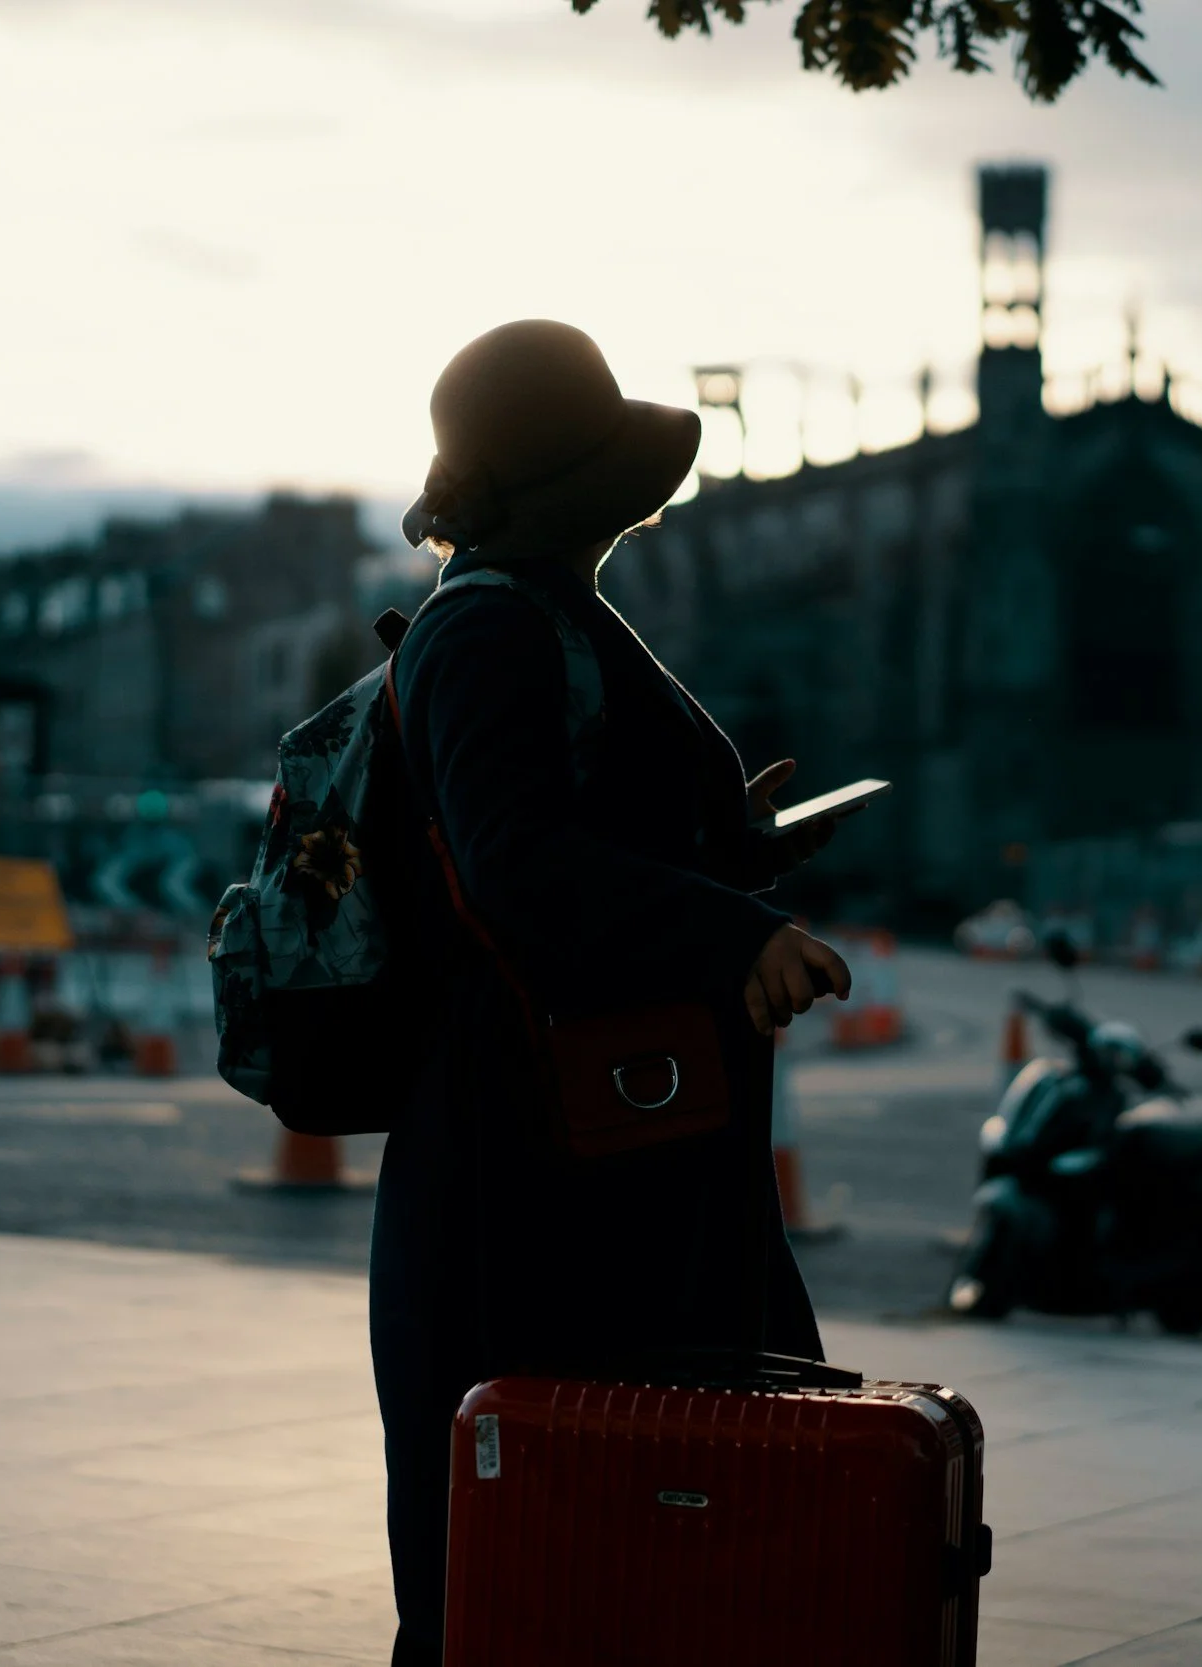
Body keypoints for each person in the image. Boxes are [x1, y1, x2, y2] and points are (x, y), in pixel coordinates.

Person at [374, 319, 854, 1664]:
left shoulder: (549, 617)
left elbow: (574, 830)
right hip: (538, 1169)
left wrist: (728, 845)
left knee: (639, 1521)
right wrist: (726, 932)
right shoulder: (488, 629)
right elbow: (514, 864)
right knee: (525, 1550)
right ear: (567, 485)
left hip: (613, 1148)